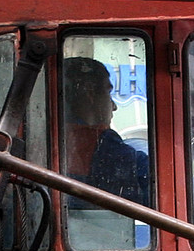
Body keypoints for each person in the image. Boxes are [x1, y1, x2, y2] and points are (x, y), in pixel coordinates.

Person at [61, 56, 149, 205]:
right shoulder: (99, 144)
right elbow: (157, 182)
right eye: (108, 93)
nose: (114, 106)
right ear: (90, 93)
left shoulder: (56, 139)